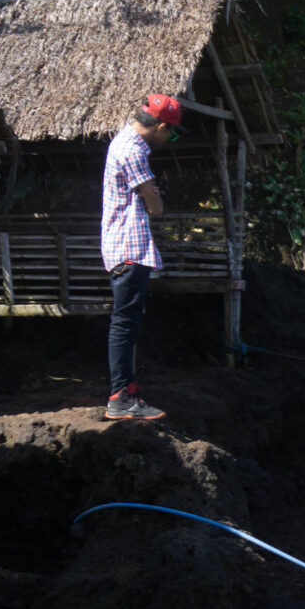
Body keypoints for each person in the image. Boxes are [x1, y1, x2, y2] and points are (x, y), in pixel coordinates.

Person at [103, 93, 184, 420]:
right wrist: (156, 197)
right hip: (129, 247)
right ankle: (120, 398)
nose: (169, 139)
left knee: (128, 322)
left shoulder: (121, 143)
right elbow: (156, 206)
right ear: (162, 126)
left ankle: (128, 391)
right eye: (172, 133)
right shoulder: (133, 151)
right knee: (124, 324)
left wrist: (151, 192)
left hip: (124, 247)